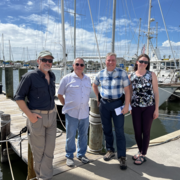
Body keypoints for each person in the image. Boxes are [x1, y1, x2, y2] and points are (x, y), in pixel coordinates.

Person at [14, 50, 56, 180]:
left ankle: (46, 175)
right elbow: (18, 98)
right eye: (44, 60)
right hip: (37, 117)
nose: (47, 63)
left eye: (50, 61)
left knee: (49, 150)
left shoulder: (52, 75)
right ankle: (43, 177)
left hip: (52, 116)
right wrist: (30, 116)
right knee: (39, 151)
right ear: (38, 61)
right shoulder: (29, 77)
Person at [92, 52, 130, 170]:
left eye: (113, 60)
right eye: (109, 60)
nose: (111, 62)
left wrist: (126, 105)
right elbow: (94, 85)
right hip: (104, 104)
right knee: (106, 128)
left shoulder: (122, 73)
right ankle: (110, 150)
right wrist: (98, 98)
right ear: (105, 61)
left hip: (118, 104)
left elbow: (127, 90)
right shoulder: (100, 73)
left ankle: (122, 156)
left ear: (116, 61)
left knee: (119, 130)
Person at [58, 57, 91, 167]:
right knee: (70, 135)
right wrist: (66, 105)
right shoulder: (66, 78)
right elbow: (60, 95)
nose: (79, 66)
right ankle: (69, 155)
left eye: (81, 65)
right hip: (71, 113)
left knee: (83, 135)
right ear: (73, 65)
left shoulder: (87, 79)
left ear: (84, 67)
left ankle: (81, 154)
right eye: (77, 64)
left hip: (85, 113)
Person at [128, 54, 159, 165]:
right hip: (136, 107)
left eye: (146, 62)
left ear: (147, 64)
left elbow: (155, 92)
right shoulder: (131, 75)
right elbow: (130, 92)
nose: (143, 64)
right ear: (137, 62)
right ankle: (140, 151)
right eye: (141, 61)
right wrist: (129, 106)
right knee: (137, 131)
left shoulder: (151, 75)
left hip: (149, 107)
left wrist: (156, 109)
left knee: (146, 131)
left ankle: (143, 154)